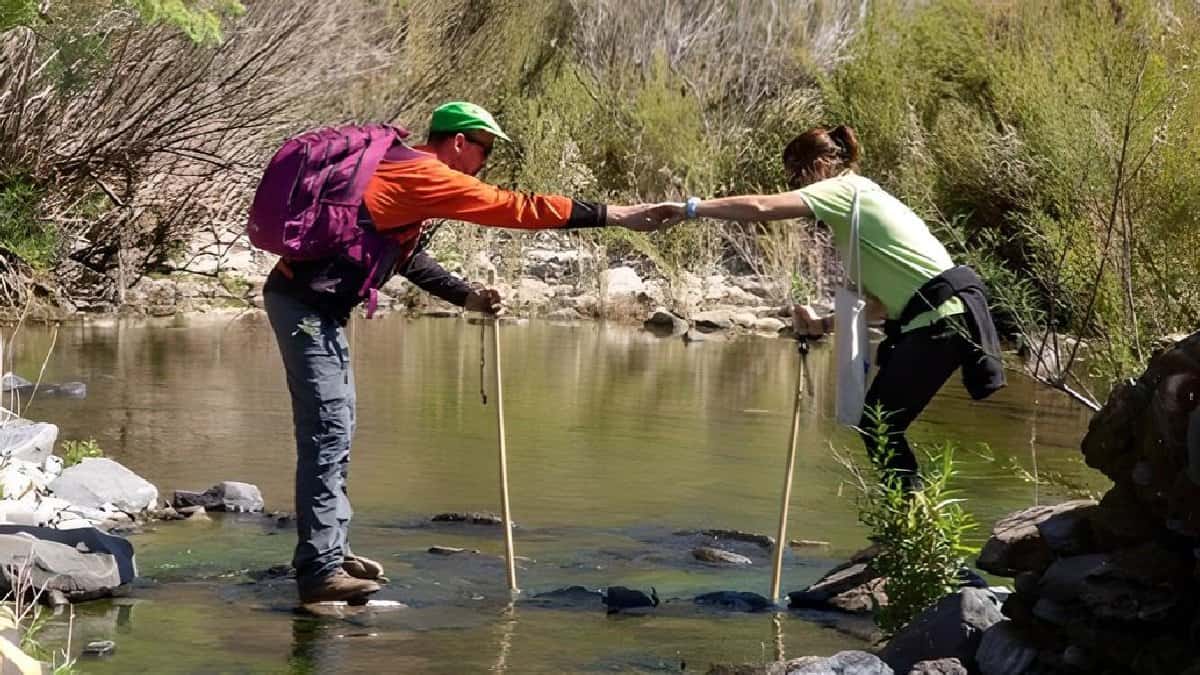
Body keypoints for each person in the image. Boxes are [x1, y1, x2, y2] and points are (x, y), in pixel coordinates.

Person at [262, 102, 662, 604]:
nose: (484, 162)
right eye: (485, 150)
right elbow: (514, 207)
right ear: (459, 141)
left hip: (312, 305)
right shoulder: (426, 174)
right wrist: (615, 215)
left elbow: (406, 256)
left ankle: (330, 550)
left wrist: (465, 296)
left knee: (338, 427)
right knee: (327, 431)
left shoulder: (402, 170)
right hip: (305, 306)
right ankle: (319, 573)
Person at [651, 125, 1005, 491]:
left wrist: (691, 208)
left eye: (796, 175)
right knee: (881, 423)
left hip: (942, 317)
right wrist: (822, 325)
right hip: (940, 315)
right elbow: (880, 306)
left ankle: (912, 529)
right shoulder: (854, 210)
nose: (794, 184)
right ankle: (910, 528)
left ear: (821, 164)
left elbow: (761, 207)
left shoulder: (844, 189)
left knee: (880, 423)